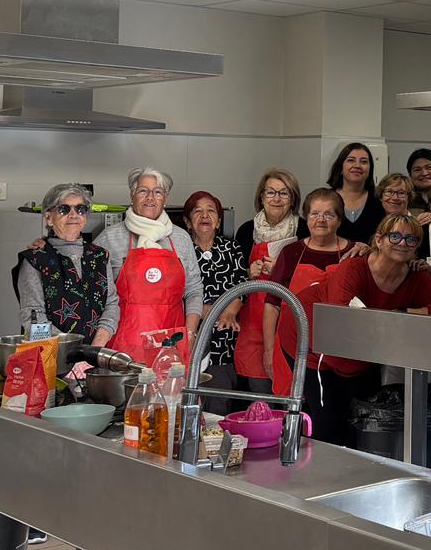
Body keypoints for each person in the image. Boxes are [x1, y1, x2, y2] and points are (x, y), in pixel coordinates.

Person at [294, 215, 431, 445]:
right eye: (395, 236)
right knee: (328, 425)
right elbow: (343, 316)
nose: (403, 243)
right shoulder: (355, 266)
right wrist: (389, 319)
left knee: (363, 422)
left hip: (365, 352)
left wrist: (401, 311)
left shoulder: (417, 275)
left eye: (411, 239)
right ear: (379, 240)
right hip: (314, 342)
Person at [93, 167, 204, 367]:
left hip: (172, 344)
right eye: (143, 190)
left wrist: (190, 332)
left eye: (157, 192)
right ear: (132, 195)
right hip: (122, 348)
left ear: (165, 198)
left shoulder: (180, 238)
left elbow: (194, 289)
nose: (150, 198)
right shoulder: (109, 238)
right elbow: (92, 291)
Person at [262, 189, 359, 396]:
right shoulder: (291, 253)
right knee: (294, 410)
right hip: (291, 347)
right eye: (315, 214)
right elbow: (272, 304)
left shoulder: (354, 253)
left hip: (338, 350)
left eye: (329, 214)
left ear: (340, 220)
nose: (321, 220)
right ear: (306, 218)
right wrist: (269, 350)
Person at [233, 168, 306, 394]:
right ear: (261, 197)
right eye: (271, 192)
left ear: (292, 198)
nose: (276, 198)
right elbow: (234, 277)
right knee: (259, 398)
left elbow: (312, 277)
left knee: (289, 392)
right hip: (253, 323)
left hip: (288, 319)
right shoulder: (247, 230)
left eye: (284, 193)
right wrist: (249, 271)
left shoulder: (304, 228)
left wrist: (283, 272)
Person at [13, 182, 107, 335]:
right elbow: (33, 318)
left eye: (80, 209)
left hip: (95, 352)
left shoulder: (100, 256)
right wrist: (71, 349)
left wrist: (96, 347)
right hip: (50, 352)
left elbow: (111, 304)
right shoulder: (35, 260)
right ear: (49, 218)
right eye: (64, 209)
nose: (73, 215)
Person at [183, 190, 247, 398]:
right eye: (197, 211)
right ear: (187, 221)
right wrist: (209, 312)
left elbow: (241, 285)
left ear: (219, 221)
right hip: (191, 336)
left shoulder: (232, 248)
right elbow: (177, 293)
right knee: (188, 400)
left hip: (224, 340)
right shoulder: (180, 251)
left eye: (211, 211)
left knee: (219, 404)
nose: (205, 215)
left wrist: (229, 313)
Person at [330, 142, 385, 245]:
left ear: (370, 169)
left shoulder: (379, 198)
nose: (357, 165)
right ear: (340, 167)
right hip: (333, 259)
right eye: (351, 160)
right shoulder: (327, 199)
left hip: (370, 259)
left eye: (364, 162)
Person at [406, 148, 431, 215]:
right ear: (410, 175)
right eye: (417, 170)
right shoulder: (405, 200)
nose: (424, 173)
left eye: (429, 168)